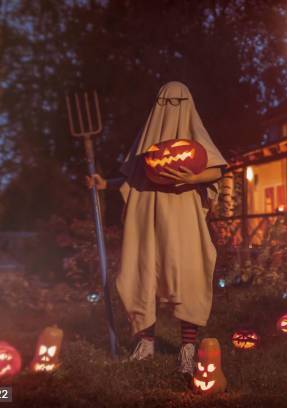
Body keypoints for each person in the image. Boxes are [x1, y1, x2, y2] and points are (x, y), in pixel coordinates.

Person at [86, 81, 227, 377]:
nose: (172, 108)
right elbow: (132, 177)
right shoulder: (146, 141)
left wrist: (194, 177)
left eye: (178, 102)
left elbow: (216, 169)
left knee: (189, 274)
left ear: (188, 104)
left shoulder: (195, 135)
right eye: (166, 101)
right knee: (140, 273)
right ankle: (145, 343)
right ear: (157, 103)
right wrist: (105, 184)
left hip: (182, 215)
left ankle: (187, 348)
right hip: (147, 215)